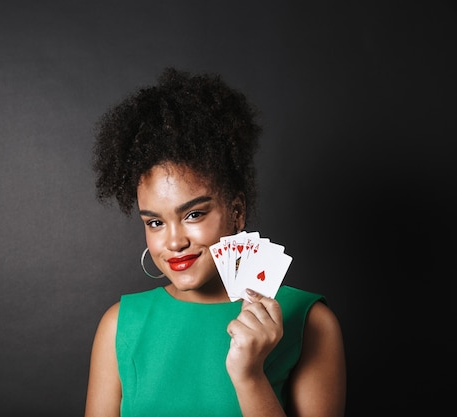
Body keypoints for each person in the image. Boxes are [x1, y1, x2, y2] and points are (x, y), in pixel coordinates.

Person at [84, 67, 346, 417]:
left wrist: (249, 376)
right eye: (156, 222)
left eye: (193, 215)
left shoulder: (311, 322)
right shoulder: (119, 325)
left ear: (236, 211)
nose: (174, 241)